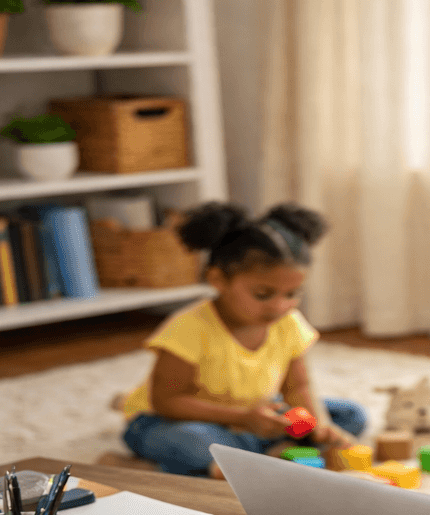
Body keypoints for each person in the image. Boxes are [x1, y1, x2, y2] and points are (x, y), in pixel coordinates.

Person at [120, 202, 366, 479]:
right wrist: (242, 419)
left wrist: (319, 423)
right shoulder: (188, 329)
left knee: (350, 416)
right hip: (173, 420)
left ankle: (250, 454)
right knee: (193, 442)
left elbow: (298, 386)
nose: (279, 307)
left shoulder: (288, 323)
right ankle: (248, 454)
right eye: (263, 294)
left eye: (292, 294)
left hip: (254, 415)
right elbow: (168, 401)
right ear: (218, 279)